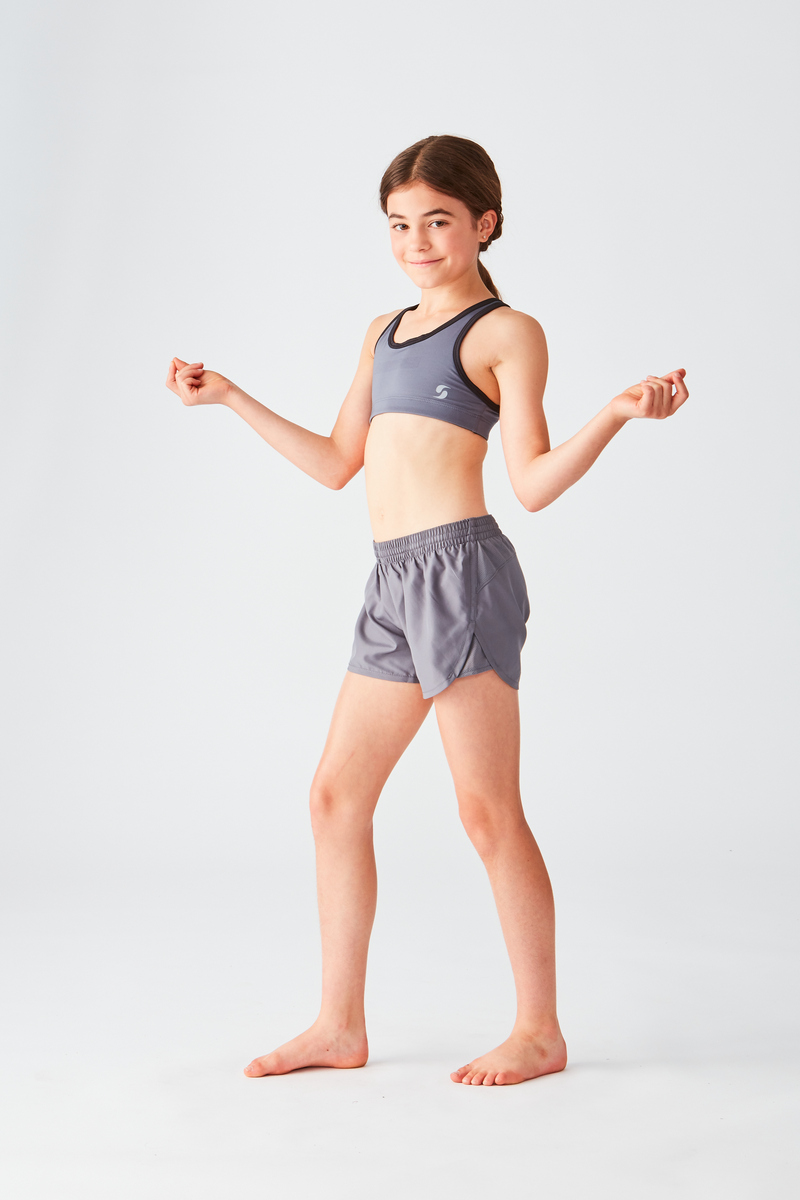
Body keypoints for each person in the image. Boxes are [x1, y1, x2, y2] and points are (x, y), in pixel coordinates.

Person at [166, 134, 688, 1087]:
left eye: (437, 222)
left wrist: (616, 414)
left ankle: (539, 1031)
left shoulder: (505, 332)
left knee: (486, 811)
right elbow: (337, 462)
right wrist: (232, 397)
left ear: (484, 223)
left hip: (462, 574)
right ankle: (338, 1026)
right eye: (399, 225)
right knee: (334, 799)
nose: (416, 242)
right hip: (390, 582)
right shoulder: (384, 331)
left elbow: (532, 482)